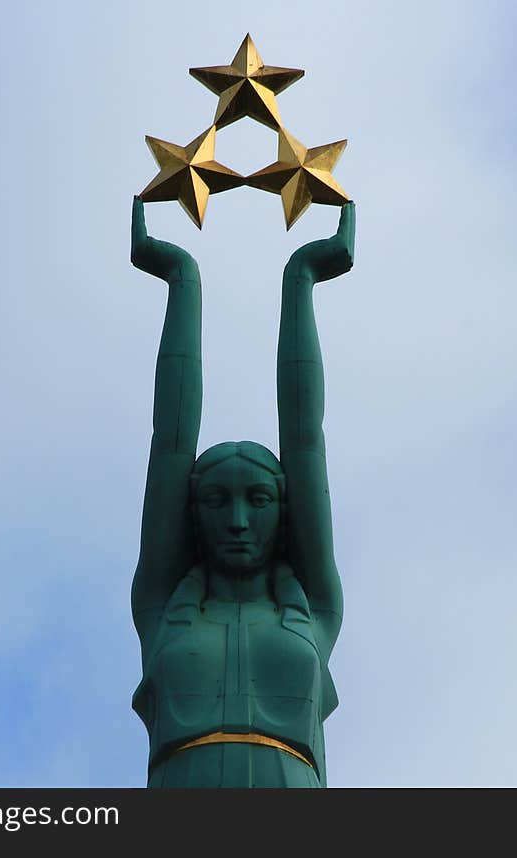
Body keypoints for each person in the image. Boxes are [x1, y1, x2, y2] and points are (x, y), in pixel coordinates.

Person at [129, 195, 355, 787]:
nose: (236, 520)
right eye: (215, 501)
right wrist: (182, 279)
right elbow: (170, 440)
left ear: (284, 513)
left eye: (257, 502)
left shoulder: (314, 606)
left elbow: (304, 435)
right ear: (191, 514)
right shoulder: (162, 605)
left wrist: (300, 279)